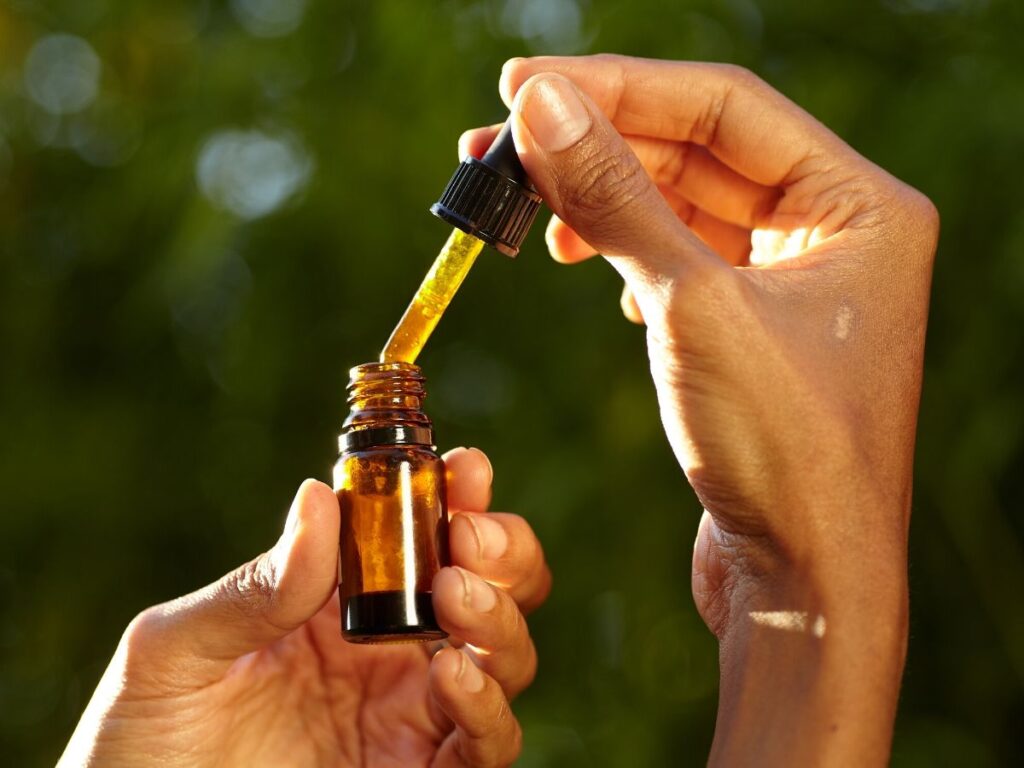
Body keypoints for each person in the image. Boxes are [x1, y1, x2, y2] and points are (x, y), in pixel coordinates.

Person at [60, 54, 938, 767]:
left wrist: (793, 575)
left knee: (472, 574)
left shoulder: (394, 466)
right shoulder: (380, 464)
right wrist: (815, 576)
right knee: (469, 575)